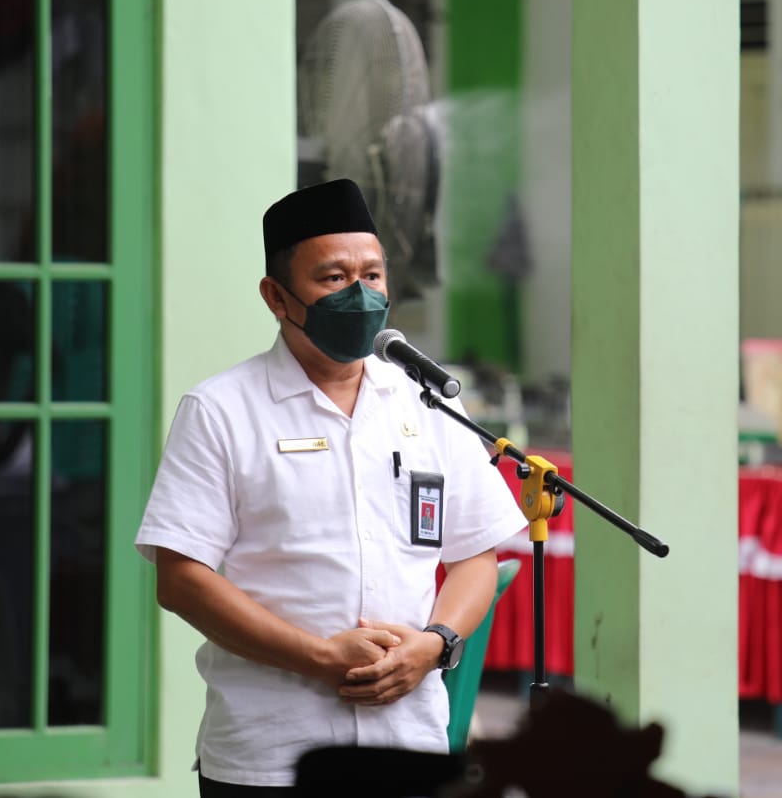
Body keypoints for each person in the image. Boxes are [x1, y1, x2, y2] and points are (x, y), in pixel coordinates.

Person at [135, 178, 528, 795]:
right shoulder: (221, 409)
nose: (361, 295)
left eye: (373, 276)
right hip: (271, 752)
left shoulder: (428, 404)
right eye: (334, 278)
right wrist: (318, 658)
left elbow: (476, 556)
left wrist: (435, 644)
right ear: (277, 295)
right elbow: (181, 579)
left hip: (408, 745)